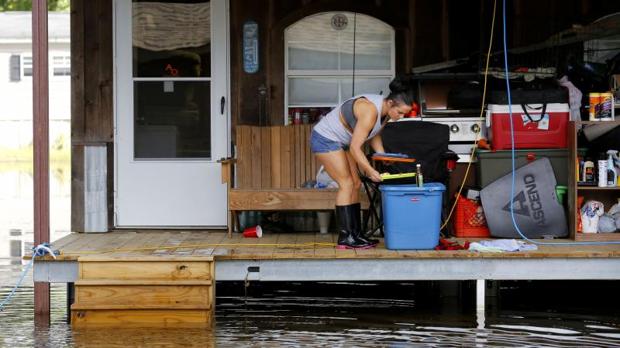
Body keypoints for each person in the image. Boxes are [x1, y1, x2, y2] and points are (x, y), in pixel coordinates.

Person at [310, 76, 415, 249]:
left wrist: (382, 155)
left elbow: (373, 134)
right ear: (390, 103)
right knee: (346, 184)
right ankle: (345, 238)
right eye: (401, 112)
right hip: (325, 139)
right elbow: (355, 148)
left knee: (356, 183)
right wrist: (370, 171)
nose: (401, 116)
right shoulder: (369, 110)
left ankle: (356, 234)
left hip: (342, 141)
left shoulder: (385, 113)